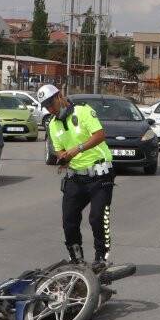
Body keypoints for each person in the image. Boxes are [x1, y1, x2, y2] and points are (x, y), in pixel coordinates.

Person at [39, 84, 115, 272]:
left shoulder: (83, 111)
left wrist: (77, 149)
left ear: (60, 96)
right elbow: (59, 150)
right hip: (76, 178)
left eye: (51, 103)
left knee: (98, 218)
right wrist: (63, 158)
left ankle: (102, 258)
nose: (50, 108)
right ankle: (77, 258)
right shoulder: (53, 124)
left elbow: (99, 136)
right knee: (69, 220)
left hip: (100, 175)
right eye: (46, 106)